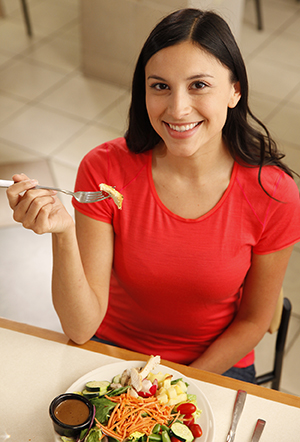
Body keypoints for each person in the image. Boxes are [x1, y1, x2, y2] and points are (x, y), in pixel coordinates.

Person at [6, 8, 300, 384]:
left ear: (235, 90)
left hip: (213, 362)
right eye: (160, 86)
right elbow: (80, 329)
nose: (177, 109)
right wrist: (63, 236)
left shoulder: (273, 193)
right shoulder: (103, 171)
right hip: (113, 350)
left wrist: (172, 384)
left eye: (199, 85)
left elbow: (254, 320)